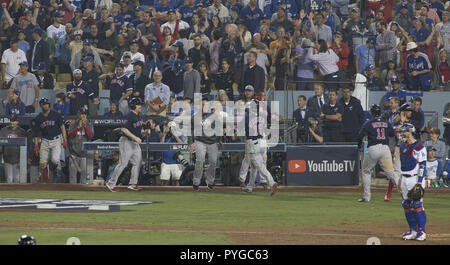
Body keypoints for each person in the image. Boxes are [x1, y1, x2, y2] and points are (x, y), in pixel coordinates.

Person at [238, 85, 278, 195]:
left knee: (259, 165)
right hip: (261, 141)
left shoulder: (247, 117)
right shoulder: (261, 117)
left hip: (252, 142)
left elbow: (241, 128)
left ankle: (271, 182)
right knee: (254, 167)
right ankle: (250, 187)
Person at [357, 104, 401, 203]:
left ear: (372, 113)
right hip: (385, 148)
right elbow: (391, 134)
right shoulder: (386, 122)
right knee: (391, 173)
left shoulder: (368, 123)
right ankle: (405, 193)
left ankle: (367, 197)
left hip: (373, 148)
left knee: (366, 171)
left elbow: (360, 135)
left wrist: (359, 145)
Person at [106, 97, 149, 192]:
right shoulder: (129, 116)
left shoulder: (138, 116)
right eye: (138, 104)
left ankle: (133, 183)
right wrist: (135, 137)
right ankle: (111, 183)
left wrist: (144, 132)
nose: (140, 106)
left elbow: (139, 130)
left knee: (137, 162)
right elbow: (123, 129)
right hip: (126, 141)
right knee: (123, 163)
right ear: (133, 105)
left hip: (134, 143)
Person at [397, 123, 427, 241]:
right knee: (406, 205)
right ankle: (413, 231)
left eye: (404, 131)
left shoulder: (419, 146)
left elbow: (423, 165)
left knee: (417, 205)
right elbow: (403, 165)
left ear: (410, 132)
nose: (402, 134)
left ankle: (422, 231)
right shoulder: (403, 146)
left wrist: (419, 182)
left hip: (415, 178)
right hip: (404, 178)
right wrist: (400, 179)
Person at [188, 96, 221, 191]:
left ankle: (210, 181)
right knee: (200, 161)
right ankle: (196, 182)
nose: (204, 107)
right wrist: (190, 142)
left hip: (212, 142)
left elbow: (218, 129)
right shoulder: (195, 117)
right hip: (200, 141)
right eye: (202, 105)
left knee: (214, 161)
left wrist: (219, 140)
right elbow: (190, 130)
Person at [33, 98, 68, 184]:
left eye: (47, 104)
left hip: (56, 140)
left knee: (55, 160)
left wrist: (65, 139)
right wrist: (36, 145)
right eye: (44, 104)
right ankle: (46, 183)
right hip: (45, 140)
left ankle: (53, 172)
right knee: (42, 163)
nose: (46, 105)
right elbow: (36, 133)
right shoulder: (38, 118)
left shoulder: (56, 115)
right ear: (41, 106)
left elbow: (62, 127)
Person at [67, 108, 94, 184]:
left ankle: (83, 193)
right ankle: (72, 193)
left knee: (84, 175)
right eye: (82, 114)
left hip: (84, 154)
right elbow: (70, 135)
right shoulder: (73, 124)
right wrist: (78, 127)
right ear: (78, 115)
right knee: (72, 176)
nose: (83, 116)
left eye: (85, 114)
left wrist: (85, 126)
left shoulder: (89, 124)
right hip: (74, 154)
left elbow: (91, 136)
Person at [0, 115, 27, 183]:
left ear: (17, 121)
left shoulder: (22, 131)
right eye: (11, 120)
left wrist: (22, 159)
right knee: (9, 178)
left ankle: (16, 193)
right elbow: (1, 144)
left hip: (18, 159)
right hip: (7, 157)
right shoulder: (4, 130)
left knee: (17, 179)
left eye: (14, 121)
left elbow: (24, 146)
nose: (12, 122)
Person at [160, 121, 185, 186]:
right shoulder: (165, 136)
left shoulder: (178, 135)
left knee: (176, 180)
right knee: (165, 181)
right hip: (165, 162)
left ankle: (178, 195)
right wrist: (165, 133)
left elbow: (181, 144)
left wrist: (175, 135)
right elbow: (161, 145)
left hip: (176, 162)